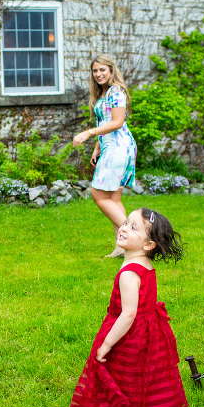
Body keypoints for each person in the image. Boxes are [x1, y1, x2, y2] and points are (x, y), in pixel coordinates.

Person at [70, 208, 188, 407]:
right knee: (141, 383)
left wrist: (107, 343)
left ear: (148, 244)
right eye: (125, 222)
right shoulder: (145, 264)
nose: (123, 228)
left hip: (128, 337)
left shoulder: (129, 272)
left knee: (120, 385)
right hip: (149, 334)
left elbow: (128, 314)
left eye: (133, 227)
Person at [72, 54, 137, 258]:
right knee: (113, 197)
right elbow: (106, 122)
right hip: (112, 146)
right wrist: (97, 148)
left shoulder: (115, 91)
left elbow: (117, 122)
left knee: (98, 194)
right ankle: (122, 246)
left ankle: (134, 235)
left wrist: (88, 133)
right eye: (95, 70)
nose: (98, 74)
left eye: (102, 70)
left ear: (111, 70)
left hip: (118, 147)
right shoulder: (104, 93)